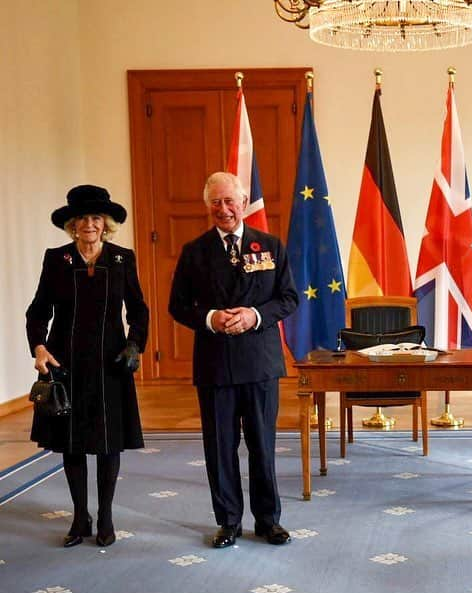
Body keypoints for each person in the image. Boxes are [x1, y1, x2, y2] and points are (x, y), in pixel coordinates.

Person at [169, 172, 299, 548]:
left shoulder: (270, 246)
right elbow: (177, 305)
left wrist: (254, 316)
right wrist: (211, 318)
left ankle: (268, 520)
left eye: (229, 201)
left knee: (262, 445)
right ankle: (227, 521)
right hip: (215, 364)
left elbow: (288, 298)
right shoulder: (195, 251)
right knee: (220, 447)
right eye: (215, 202)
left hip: (260, 362)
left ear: (244, 203)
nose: (223, 209)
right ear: (207, 206)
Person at [26, 185, 148, 548]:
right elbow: (38, 311)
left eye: (96, 218)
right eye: (82, 219)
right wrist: (39, 347)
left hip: (111, 364)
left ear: (106, 224)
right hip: (64, 366)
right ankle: (80, 516)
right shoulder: (57, 259)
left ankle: (106, 516)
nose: (89, 224)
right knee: (72, 444)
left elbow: (139, 311)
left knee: (108, 444)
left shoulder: (122, 259)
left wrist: (134, 344)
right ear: (73, 225)